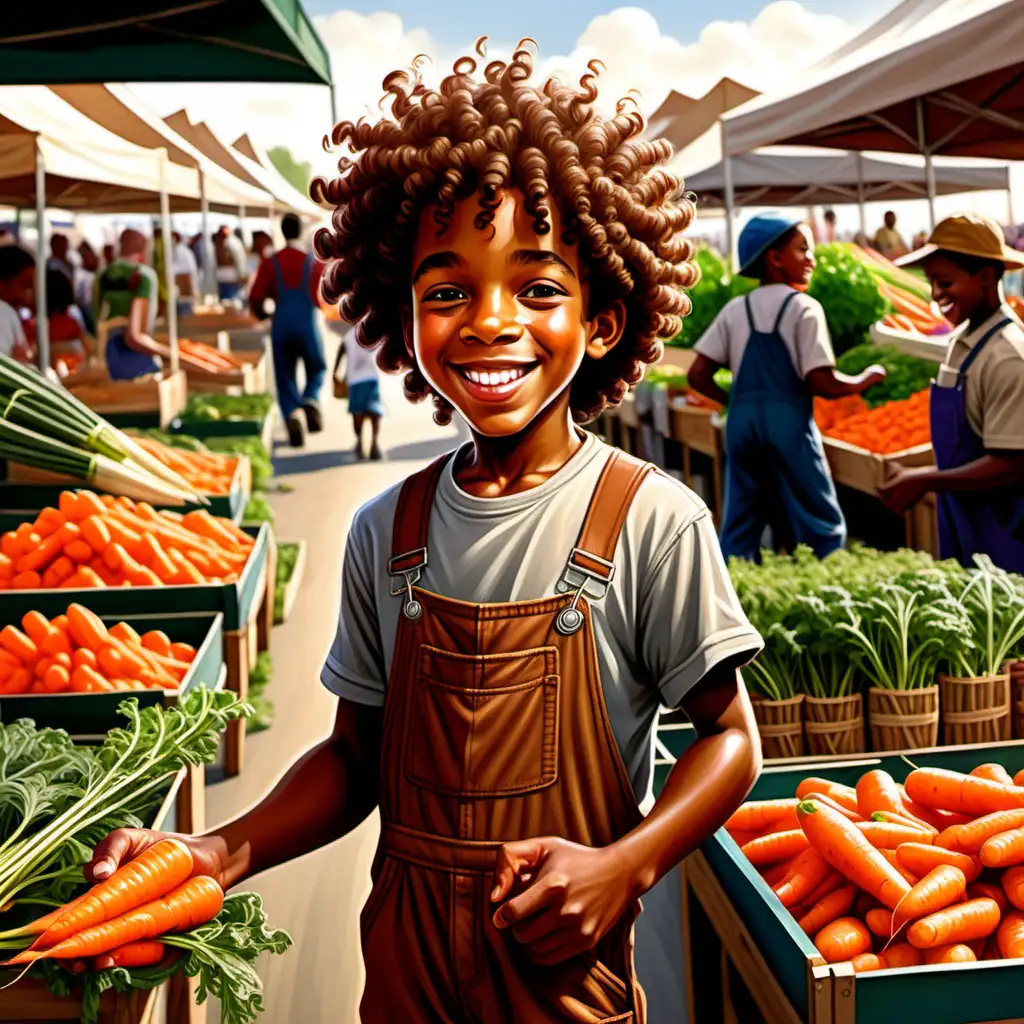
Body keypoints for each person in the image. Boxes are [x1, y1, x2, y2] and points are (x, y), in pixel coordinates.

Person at [83, 41, 765, 1023]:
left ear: (605, 319)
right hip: (404, 971)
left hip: (561, 977)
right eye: (448, 291)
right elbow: (354, 759)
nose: (490, 323)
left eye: (537, 288)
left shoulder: (649, 517)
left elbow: (728, 737)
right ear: (403, 322)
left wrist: (627, 863)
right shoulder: (385, 530)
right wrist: (212, 850)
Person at [688, 214, 886, 561]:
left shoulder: (737, 309)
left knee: (741, 520)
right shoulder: (804, 309)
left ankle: (736, 590)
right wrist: (861, 381)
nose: (812, 258)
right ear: (775, 258)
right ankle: (828, 582)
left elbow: (698, 373)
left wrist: (734, 401)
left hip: (742, 424)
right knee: (819, 518)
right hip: (789, 424)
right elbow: (820, 380)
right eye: (803, 249)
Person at [878, 214, 1024, 572]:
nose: (935, 294)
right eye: (931, 282)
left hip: (1007, 534)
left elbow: (1012, 463)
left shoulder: (1008, 356)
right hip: (965, 521)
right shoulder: (962, 342)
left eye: (945, 282)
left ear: (986, 277)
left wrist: (927, 479)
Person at [249, 213, 326, 447]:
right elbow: (322, 296)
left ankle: (292, 413)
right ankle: (310, 397)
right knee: (317, 367)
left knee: (285, 375)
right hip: (307, 323)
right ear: (301, 232)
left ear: (282, 233)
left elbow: (255, 298)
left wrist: (266, 316)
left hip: (281, 324)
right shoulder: (312, 262)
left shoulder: (270, 262)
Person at [94, 229, 169, 380]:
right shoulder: (144, 276)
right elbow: (134, 337)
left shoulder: (102, 276)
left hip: (108, 355)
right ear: (143, 247)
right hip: (134, 357)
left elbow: (96, 317)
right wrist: (168, 354)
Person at [331, 318, 384, 460]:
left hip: (355, 380)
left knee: (357, 413)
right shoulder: (374, 333)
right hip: (372, 377)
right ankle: (374, 444)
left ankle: (360, 443)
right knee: (375, 412)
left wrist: (335, 372)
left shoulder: (349, 335)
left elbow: (340, 352)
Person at [0, 244, 35, 360]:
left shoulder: (17, 316)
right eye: (26, 286)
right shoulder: (6, 312)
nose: (30, 296)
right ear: (2, 283)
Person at [214, 225, 248, 304]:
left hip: (231, 280)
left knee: (232, 304)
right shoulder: (221, 243)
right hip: (224, 280)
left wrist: (241, 276)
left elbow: (238, 260)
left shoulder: (231, 243)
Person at [171, 231, 200, 317]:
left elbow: (186, 274)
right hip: (184, 293)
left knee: (185, 316)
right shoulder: (183, 251)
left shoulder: (179, 251)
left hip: (184, 295)